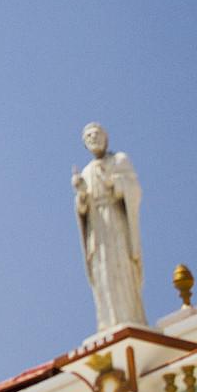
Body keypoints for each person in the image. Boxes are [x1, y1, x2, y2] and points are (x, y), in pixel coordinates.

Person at [73, 124, 147, 331]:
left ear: (106, 137)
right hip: (97, 229)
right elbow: (82, 209)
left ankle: (130, 317)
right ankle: (107, 322)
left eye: (96, 134)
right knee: (102, 272)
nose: (93, 139)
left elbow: (134, 190)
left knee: (121, 268)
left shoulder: (119, 160)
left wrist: (113, 183)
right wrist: (81, 196)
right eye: (88, 137)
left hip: (115, 222)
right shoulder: (86, 172)